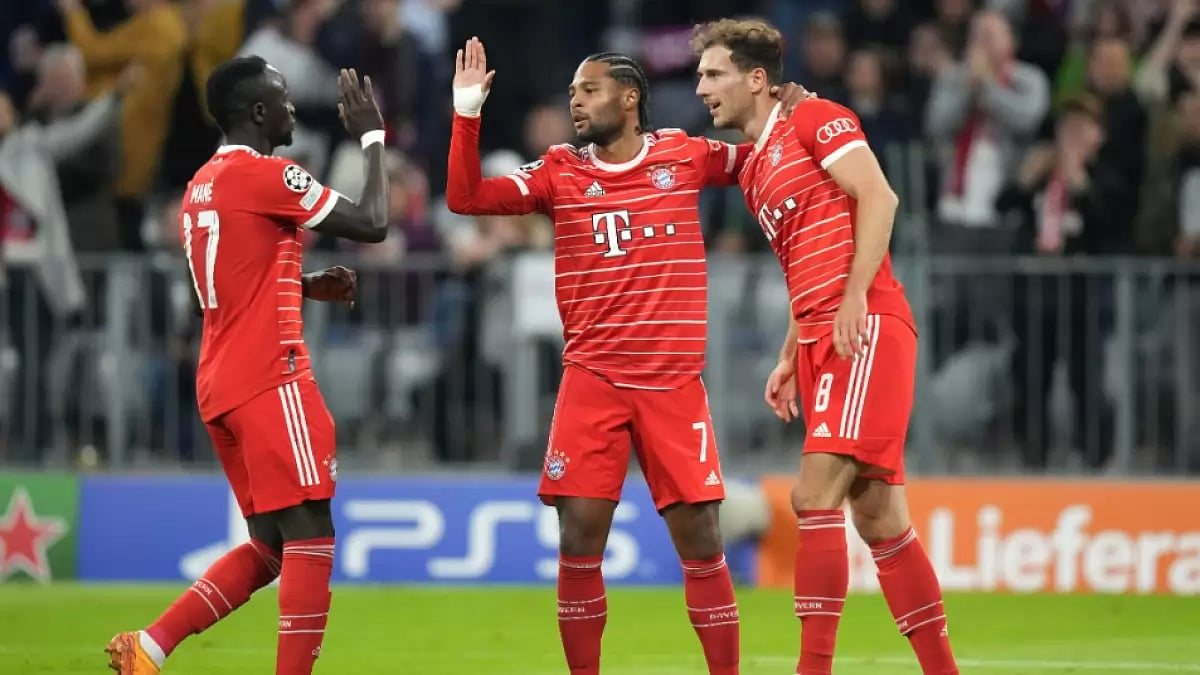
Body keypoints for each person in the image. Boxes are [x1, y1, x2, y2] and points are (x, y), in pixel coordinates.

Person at [447, 37, 808, 675]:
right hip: (593, 382)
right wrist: (466, 113)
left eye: (589, 92)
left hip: (673, 385)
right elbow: (467, 197)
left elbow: (761, 156)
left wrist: (793, 116)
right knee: (579, 538)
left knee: (702, 540)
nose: (576, 104)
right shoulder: (559, 168)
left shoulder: (683, 154)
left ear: (629, 97)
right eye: (572, 95)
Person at [104, 56, 390, 675]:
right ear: (259, 113)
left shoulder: (199, 186)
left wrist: (302, 282)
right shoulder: (270, 176)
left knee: (268, 546)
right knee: (312, 536)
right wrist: (371, 135)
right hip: (271, 376)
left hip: (221, 383)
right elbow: (373, 222)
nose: (292, 107)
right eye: (283, 98)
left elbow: (207, 290)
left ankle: (148, 648)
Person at [692, 18, 959, 675]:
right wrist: (790, 349)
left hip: (863, 326)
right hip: (820, 335)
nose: (701, 88)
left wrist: (855, 296)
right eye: (700, 75)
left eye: (714, 74)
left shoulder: (814, 116)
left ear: (757, 79)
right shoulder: (757, 167)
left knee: (813, 496)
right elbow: (806, 259)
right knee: (879, 518)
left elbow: (879, 195)